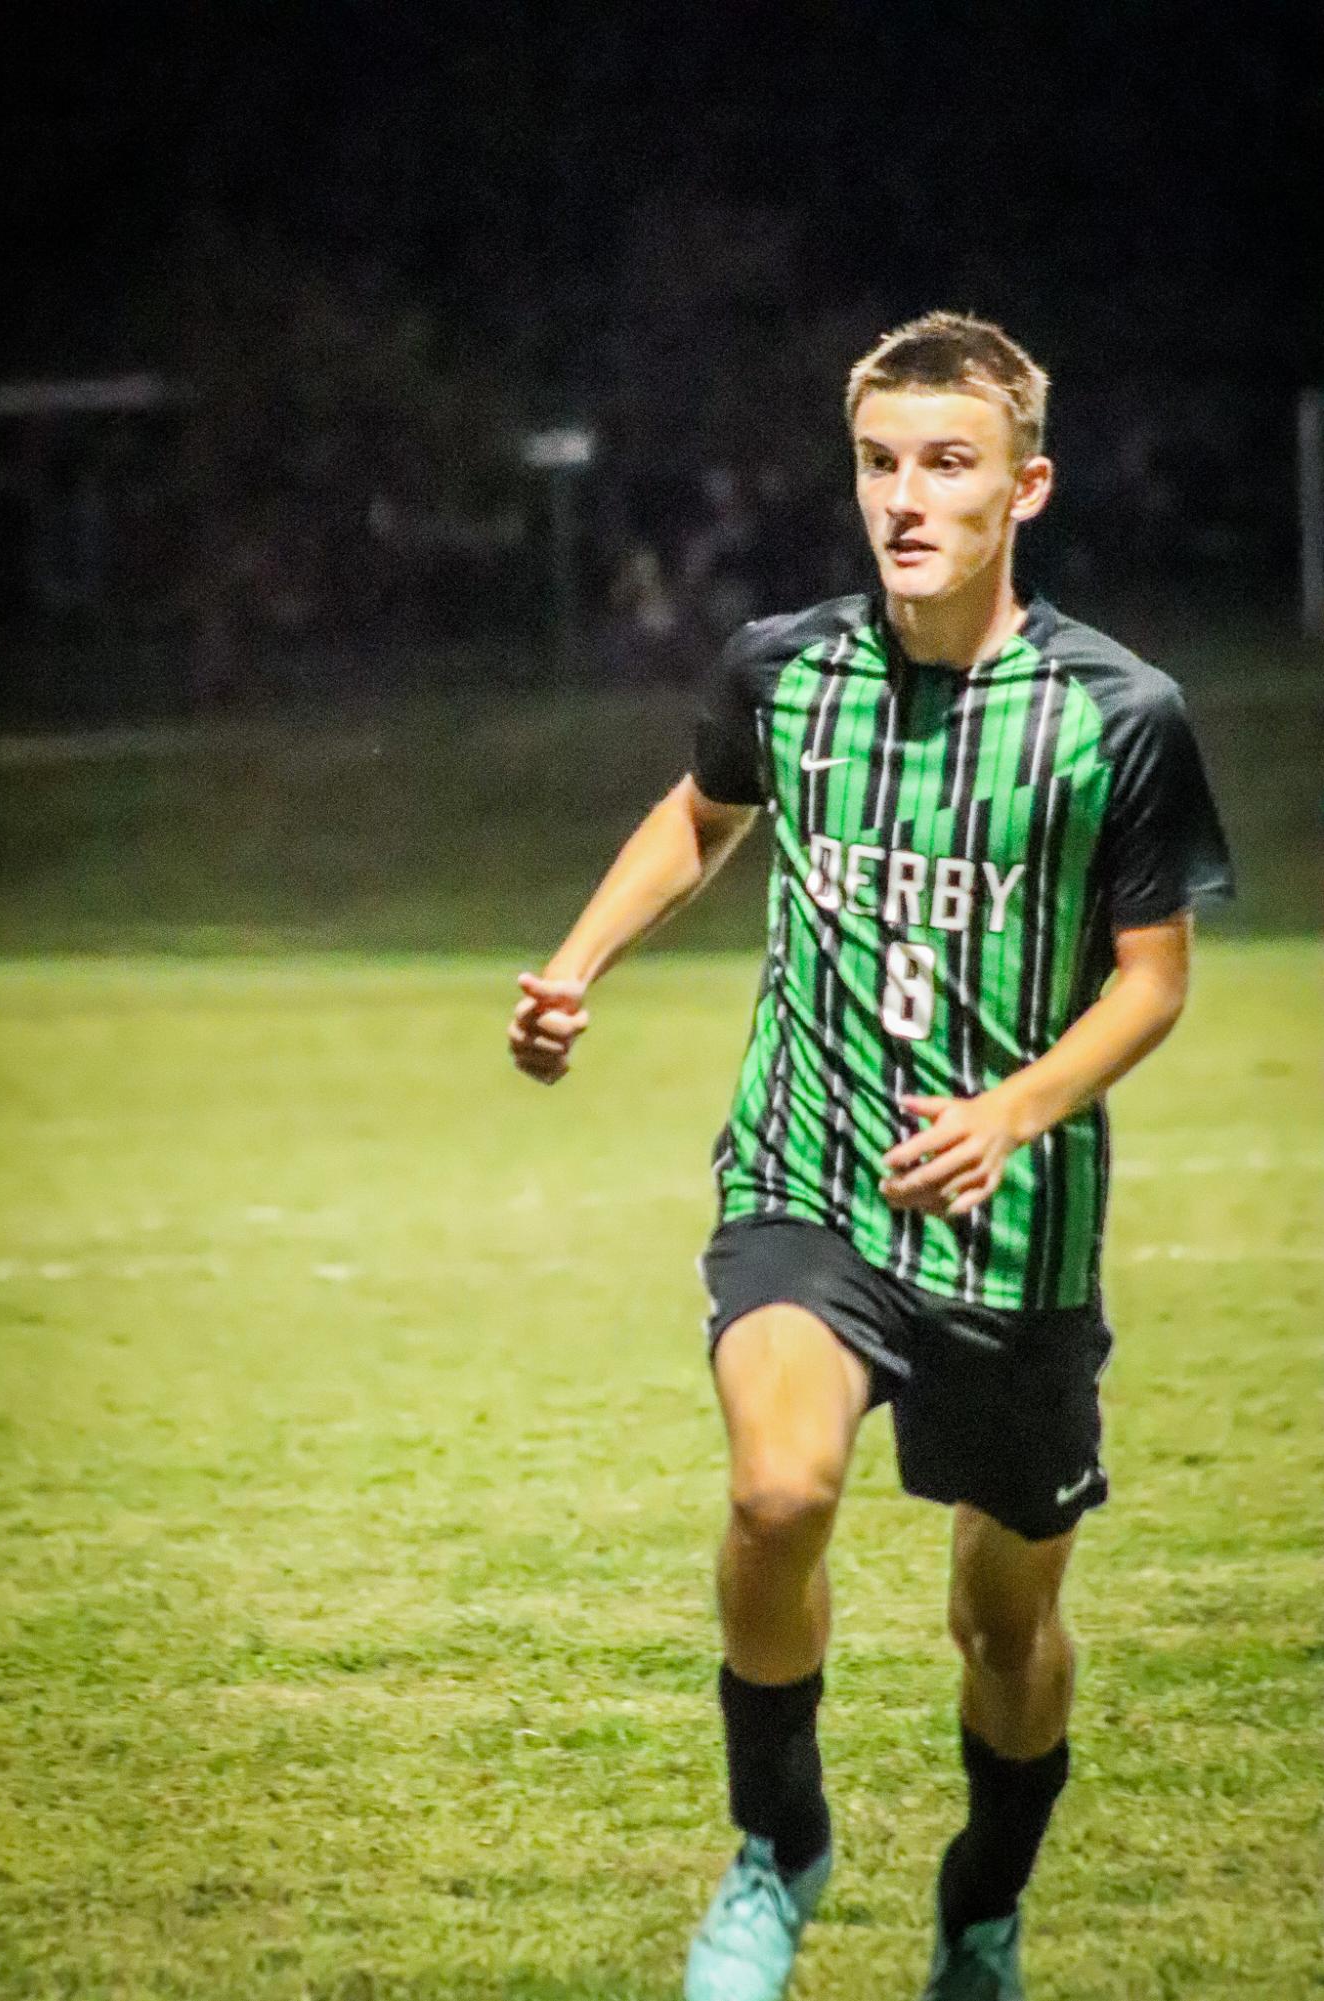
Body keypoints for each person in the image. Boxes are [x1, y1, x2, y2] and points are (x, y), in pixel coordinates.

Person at [507, 311, 1233, 2000]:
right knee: (777, 1490)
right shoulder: (785, 666)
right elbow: (704, 809)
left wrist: (1010, 1110)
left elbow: (1152, 981)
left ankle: (980, 1906)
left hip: (1014, 1233)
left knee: (1003, 1627)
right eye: (880, 463)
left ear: (1023, 488)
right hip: (808, 1169)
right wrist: (575, 963)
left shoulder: (1116, 715)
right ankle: (778, 1847)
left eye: (948, 464)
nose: (905, 498)